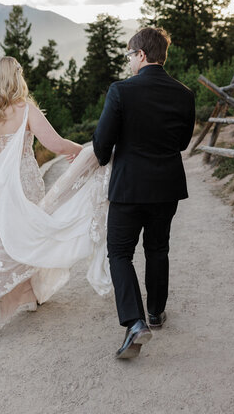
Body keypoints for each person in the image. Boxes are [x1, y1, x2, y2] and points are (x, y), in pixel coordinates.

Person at [0, 56, 111, 338]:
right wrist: (86, 152)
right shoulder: (26, 110)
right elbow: (55, 144)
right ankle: (30, 297)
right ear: (16, 78)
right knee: (29, 236)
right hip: (24, 185)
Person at [93, 27, 195, 359]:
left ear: (140, 55)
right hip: (166, 188)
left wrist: (107, 155)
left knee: (119, 253)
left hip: (128, 188)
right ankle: (156, 312)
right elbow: (182, 143)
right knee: (157, 248)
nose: (129, 62)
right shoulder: (184, 93)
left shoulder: (120, 91)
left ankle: (135, 322)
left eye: (129, 56)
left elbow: (102, 145)